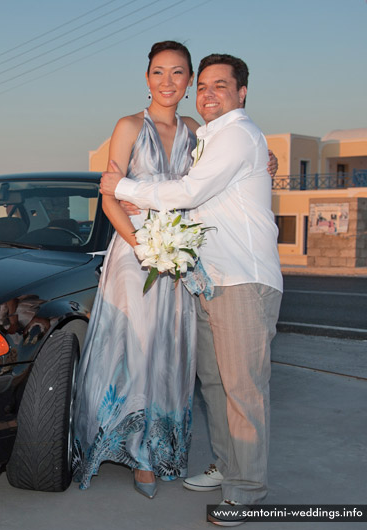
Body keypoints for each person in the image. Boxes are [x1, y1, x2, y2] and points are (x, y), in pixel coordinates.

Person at [100, 53, 283, 526]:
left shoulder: (238, 135)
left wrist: (125, 187)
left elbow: (187, 194)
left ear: (242, 93)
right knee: (216, 382)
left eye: (220, 85)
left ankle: (247, 491)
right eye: (204, 85)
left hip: (243, 278)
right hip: (207, 278)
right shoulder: (211, 137)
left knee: (243, 387)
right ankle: (227, 466)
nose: (209, 93)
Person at [72, 40, 201, 499]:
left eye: (178, 73)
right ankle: (138, 455)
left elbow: (214, 181)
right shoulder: (128, 126)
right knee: (137, 350)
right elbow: (109, 196)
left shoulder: (196, 130)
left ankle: (161, 445)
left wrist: (269, 161)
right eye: (158, 72)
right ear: (146, 78)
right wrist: (144, 246)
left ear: (189, 81)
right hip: (135, 253)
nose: (167, 82)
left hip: (180, 255)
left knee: (171, 349)